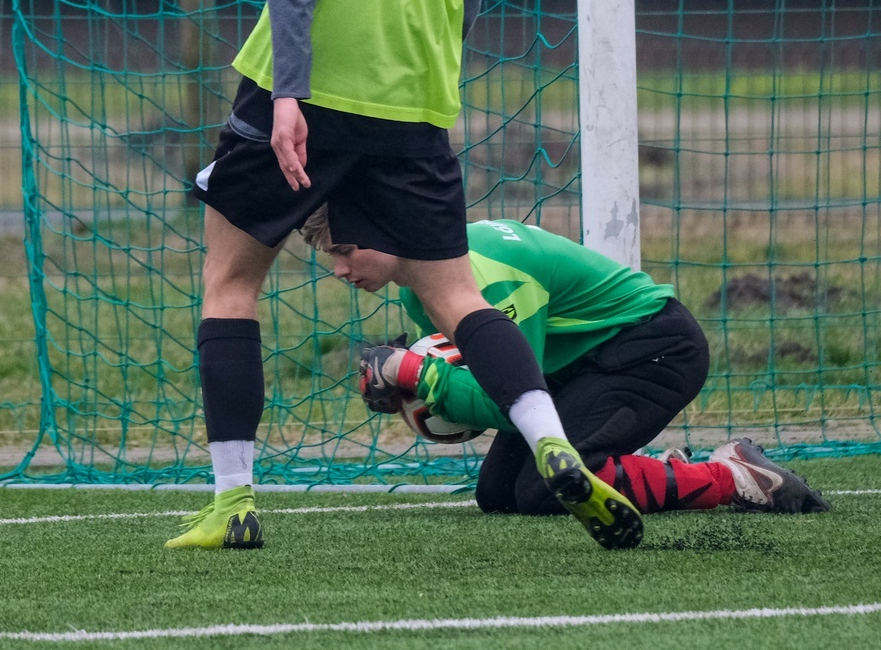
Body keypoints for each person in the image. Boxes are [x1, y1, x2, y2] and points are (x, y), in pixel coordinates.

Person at [167, 0, 645, 551]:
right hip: (415, 105)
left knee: (230, 285)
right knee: (460, 298)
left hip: (303, 91)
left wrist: (288, 95)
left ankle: (234, 503)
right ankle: (551, 440)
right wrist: (423, 88)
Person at [321, 211, 831, 518]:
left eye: (345, 250)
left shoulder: (490, 275)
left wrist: (416, 373)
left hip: (652, 351)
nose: (339, 269)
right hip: (583, 366)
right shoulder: (423, 283)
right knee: (498, 495)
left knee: (544, 489)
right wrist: (418, 385)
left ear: (387, 226)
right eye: (329, 255)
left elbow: (513, 398)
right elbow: (502, 389)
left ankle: (732, 475)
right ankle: (644, 464)